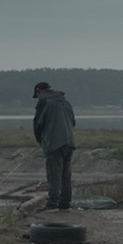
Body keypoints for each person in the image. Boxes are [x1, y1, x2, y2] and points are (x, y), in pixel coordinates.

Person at [32, 81, 76, 211]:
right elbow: (73, 122)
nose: (37, 98)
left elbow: (37, 124)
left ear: (40, 91)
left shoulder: (44, 102)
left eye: (37, 95)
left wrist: (39, 140)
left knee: (54, 175)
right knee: (65, 175)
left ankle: (52, 204)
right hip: (69, 143)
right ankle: (65, 203)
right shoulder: (65, 102)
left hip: (54, 144)